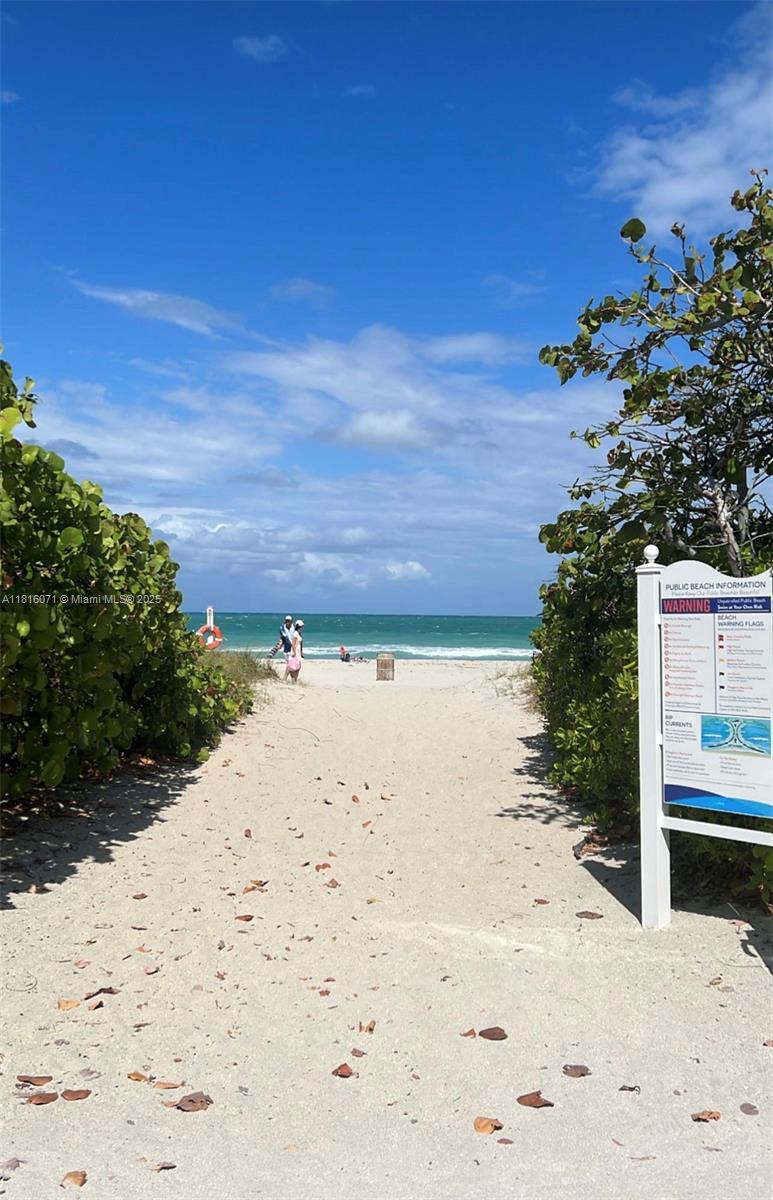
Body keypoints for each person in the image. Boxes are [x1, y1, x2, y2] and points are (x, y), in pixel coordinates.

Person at [285, 619, 304, 683]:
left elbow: (300, 643)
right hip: (295, 651)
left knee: (297, 666)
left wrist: (301, 652)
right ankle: (287, 678)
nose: (302, 628)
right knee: (291, 666)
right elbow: (293, 643)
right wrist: (294, 652)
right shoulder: (295, 633)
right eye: (301, 626)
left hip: (298, 651)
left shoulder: (299, 633)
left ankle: (294, 680)